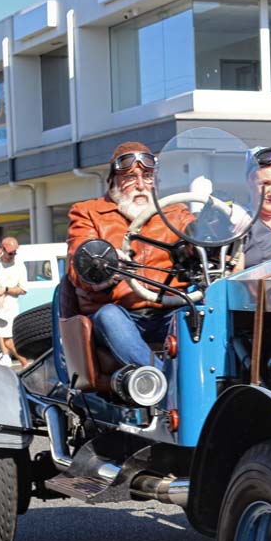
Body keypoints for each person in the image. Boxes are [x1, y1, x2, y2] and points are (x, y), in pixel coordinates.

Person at [66, 142, 198, 370]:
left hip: (171, 309)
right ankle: (162, 382)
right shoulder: (88, 212)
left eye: (147, 176)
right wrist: (104, 263)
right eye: (129, 176)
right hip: (120, 312)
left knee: (200, 312)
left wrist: (213, 229)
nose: (140, 185)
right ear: (112, 181)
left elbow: (196, 234)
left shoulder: (175, 212)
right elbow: (79, 261)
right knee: (109, 316)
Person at [0, 237, 29, 368]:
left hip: (8, 307)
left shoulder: (19, 266)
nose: (13, 255)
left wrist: (6, 289)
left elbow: (23, 289)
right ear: (2, 250)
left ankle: (25, 364)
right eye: (10, 253)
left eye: (15, 252)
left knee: (8, 341)